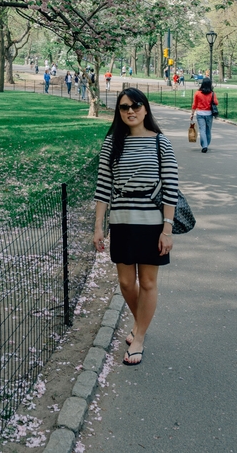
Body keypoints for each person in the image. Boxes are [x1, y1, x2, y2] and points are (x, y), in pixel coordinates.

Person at [93, 88, 178, 366]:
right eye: (124, 107)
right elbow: (103, 187)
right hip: (121, 222)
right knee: (127, 283)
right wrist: (98, 226)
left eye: (136, 105)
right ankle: (140, 323)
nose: (130, 111)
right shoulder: (112, 143)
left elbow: (171, 189)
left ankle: (139, 335)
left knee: (149, 282)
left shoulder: (160, 143)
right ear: (119, 112)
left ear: (145, 109)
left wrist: (167, 230)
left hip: (152, 224)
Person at [190, 77, 218, 152]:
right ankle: (206, 144)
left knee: (202, 130)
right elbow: (216, 103)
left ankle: (204, 145)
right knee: (208, 130)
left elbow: (194, 104)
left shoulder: (197, 93)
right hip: (209, 114)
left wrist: (192, 113)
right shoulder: (212, 94)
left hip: (200, 113)